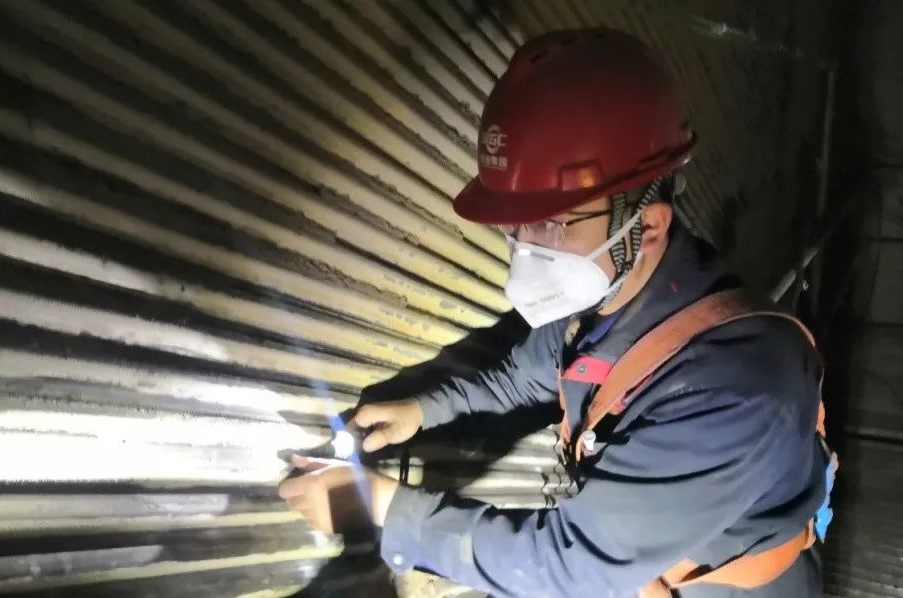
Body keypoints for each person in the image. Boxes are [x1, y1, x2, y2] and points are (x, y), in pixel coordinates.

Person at [279, 29, 828, 597]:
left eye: (550, 224)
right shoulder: (600, 297)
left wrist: (380, 508)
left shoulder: (739, 389)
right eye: (515, 226)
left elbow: (569, 568)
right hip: (629, 567)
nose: (526, 251)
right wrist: (423, 409)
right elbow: (521, 378)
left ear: (647, 226)